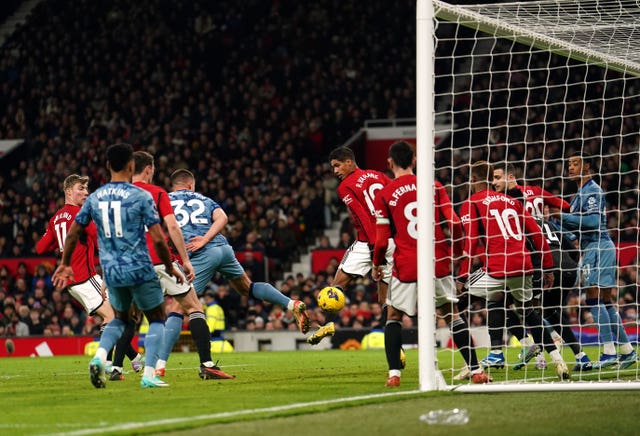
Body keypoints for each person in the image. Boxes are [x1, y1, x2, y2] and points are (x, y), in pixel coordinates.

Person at [53, 143, 183, 389]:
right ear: (132, 166)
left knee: (119, 320)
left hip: (112, 271)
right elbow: (157, 237)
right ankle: (148, 375)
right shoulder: (141, 196)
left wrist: (65, 264)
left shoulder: (95, 198)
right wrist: (170, 266)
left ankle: (100, 357)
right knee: (157, 318)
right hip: (139, 267)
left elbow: (73, 234)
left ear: (107, 166)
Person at [371, 141, 490, 387]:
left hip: (406, 265)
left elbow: (381, 239)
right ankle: (476, 370)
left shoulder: (384, 194)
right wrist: (456, 254)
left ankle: (394, 374)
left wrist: (376, 264)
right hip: (437, 262)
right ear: (414, 161)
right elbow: (455, 224)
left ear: (390, 163)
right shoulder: (434, 187)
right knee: (452, 316)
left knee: (393, 316)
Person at [458, 160, 570, 380]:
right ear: (491, 179)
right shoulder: (512, 201)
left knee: (454, 305)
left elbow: (470, 242)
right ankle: (559, 361)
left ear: (472, 180)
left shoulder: (471, 202)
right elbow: (537, 235)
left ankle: (478, 364)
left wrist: (462, 275)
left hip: (498, 268)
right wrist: (548, 268)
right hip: (524, 267)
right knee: (527, 311)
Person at [168, 169, 310, 336]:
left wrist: (202, 241)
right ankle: (291, 304)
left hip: (202, 253)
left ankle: (159, 360)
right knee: (246, 288)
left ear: (173, 186)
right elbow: (223, 218)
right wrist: (206, 237)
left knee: (178, 305)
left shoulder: (166, 199)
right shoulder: (205, 199)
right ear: (190, 185)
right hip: (223, 248)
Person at [131, 151, 233, 380]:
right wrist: (184, 260)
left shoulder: (118, 196)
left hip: (130, 263)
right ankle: (206, 364)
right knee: (194, 307)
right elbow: (173, 229)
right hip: (158, 260)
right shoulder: (157, 193)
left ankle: (113, 364)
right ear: (148, 169)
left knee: (126, 317)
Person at [35, 174, 143, 372]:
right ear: (68, 192)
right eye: (80, 189)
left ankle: (134, 358)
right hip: (84, 276)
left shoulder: (55, 218)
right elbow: (97, 235)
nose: (86, 192)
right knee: (114, 318)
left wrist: (58, 238)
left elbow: (40, 248)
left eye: (86, 189)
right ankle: (110, 363)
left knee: (111, 318)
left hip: (73, 281)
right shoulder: (81, 214)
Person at [492, 163, 592, 372]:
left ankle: (535, 351)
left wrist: (541, 269)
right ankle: (581, 356)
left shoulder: (519, 223)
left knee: (508, 304)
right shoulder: (546, 219)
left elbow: (532, 247)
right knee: (552, 312)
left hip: (544, 265)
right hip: (569, 268)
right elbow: (569, 238)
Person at [552, 152, 637, 369]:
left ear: (587, 166)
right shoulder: (580, 193)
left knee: (593, 299)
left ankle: (609, 351)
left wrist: (561, 217)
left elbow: (590, 222)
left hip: (598, 246)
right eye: (569, 163)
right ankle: (627, 351)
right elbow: (575, 231)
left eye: (575, 163)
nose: (570, 167)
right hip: (595, 246)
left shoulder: (592, 191)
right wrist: (553, 225)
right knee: (605, 302)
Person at [307, 145, 395, 345]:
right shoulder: (378, 175)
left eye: (337, 166)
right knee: (384, 300)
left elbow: (363, 217)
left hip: (368, 243)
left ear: (349, 162)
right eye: (333, 167)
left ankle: (329, 322)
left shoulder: (346, 186)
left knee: (337, 285)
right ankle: (393, 346)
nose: (335, 171)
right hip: (390, 240)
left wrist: (374, 251)